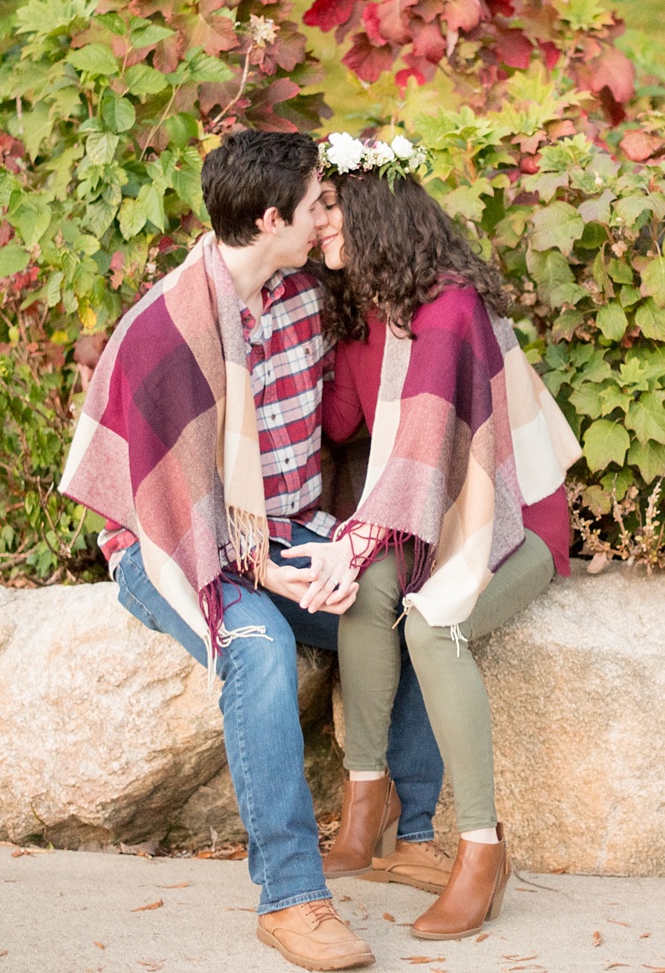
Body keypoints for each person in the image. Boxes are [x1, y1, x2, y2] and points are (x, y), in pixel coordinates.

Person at [59, 129, 445, 972]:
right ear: (272, 217)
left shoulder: (308, 295)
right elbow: (165, 509)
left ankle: (408, 833)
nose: (324, 220)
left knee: (400, 604)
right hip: (168, 543)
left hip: (286, 525)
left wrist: (337, 550)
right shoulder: (165, 327)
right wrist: (264, 573)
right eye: (315, 207)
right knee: (258, 645)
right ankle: (292, 897)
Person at [287, 132, 580, 941]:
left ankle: (482, 851)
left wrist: (352, 537)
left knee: (432, 620)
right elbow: (348, 425)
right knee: (365, 589)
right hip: (429, 522)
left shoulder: (449, 310)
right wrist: (333, 339)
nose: (321, 228)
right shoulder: (378, 308)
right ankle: (366, 802)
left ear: (377, 213)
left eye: (332, 211)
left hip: (511, 524)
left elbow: (430, 461)